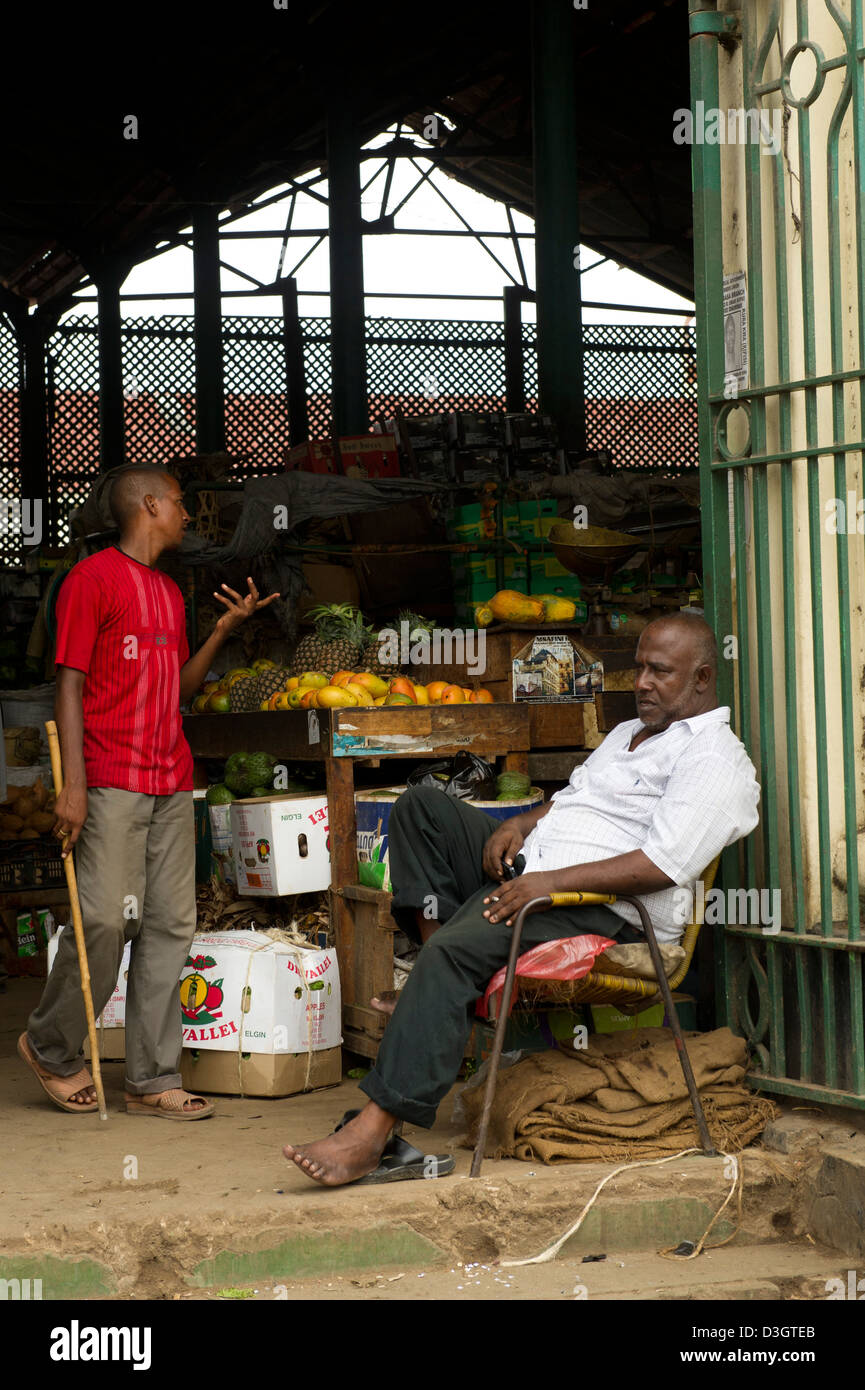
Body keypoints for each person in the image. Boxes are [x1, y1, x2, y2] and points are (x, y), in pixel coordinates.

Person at [283, 612, 760, 1185]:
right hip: (534, 876)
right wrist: (524, 823)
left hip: (603, 911)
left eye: (659, 672)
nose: (641, 682)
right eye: (638, 668)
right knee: (422, 808)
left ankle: (373, 1132)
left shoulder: (713, 759)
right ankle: (448, 989)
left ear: (703, 678)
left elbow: (660, 866)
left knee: (453, 954)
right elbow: (574, 801)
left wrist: (549, 884)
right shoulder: (626, 734)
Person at [19, 467, 278, 1118]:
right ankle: (50, 1046)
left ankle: (151, 1079)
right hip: (109, 778)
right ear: (151, 505)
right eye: (183, 505)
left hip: (171, 778)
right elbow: (69, 685)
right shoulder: (91, 580)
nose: (190, 516)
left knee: (168, 927)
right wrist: (72, 785)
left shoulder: (167, 592)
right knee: (106, 919)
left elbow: (178, 691)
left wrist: (222, 632)